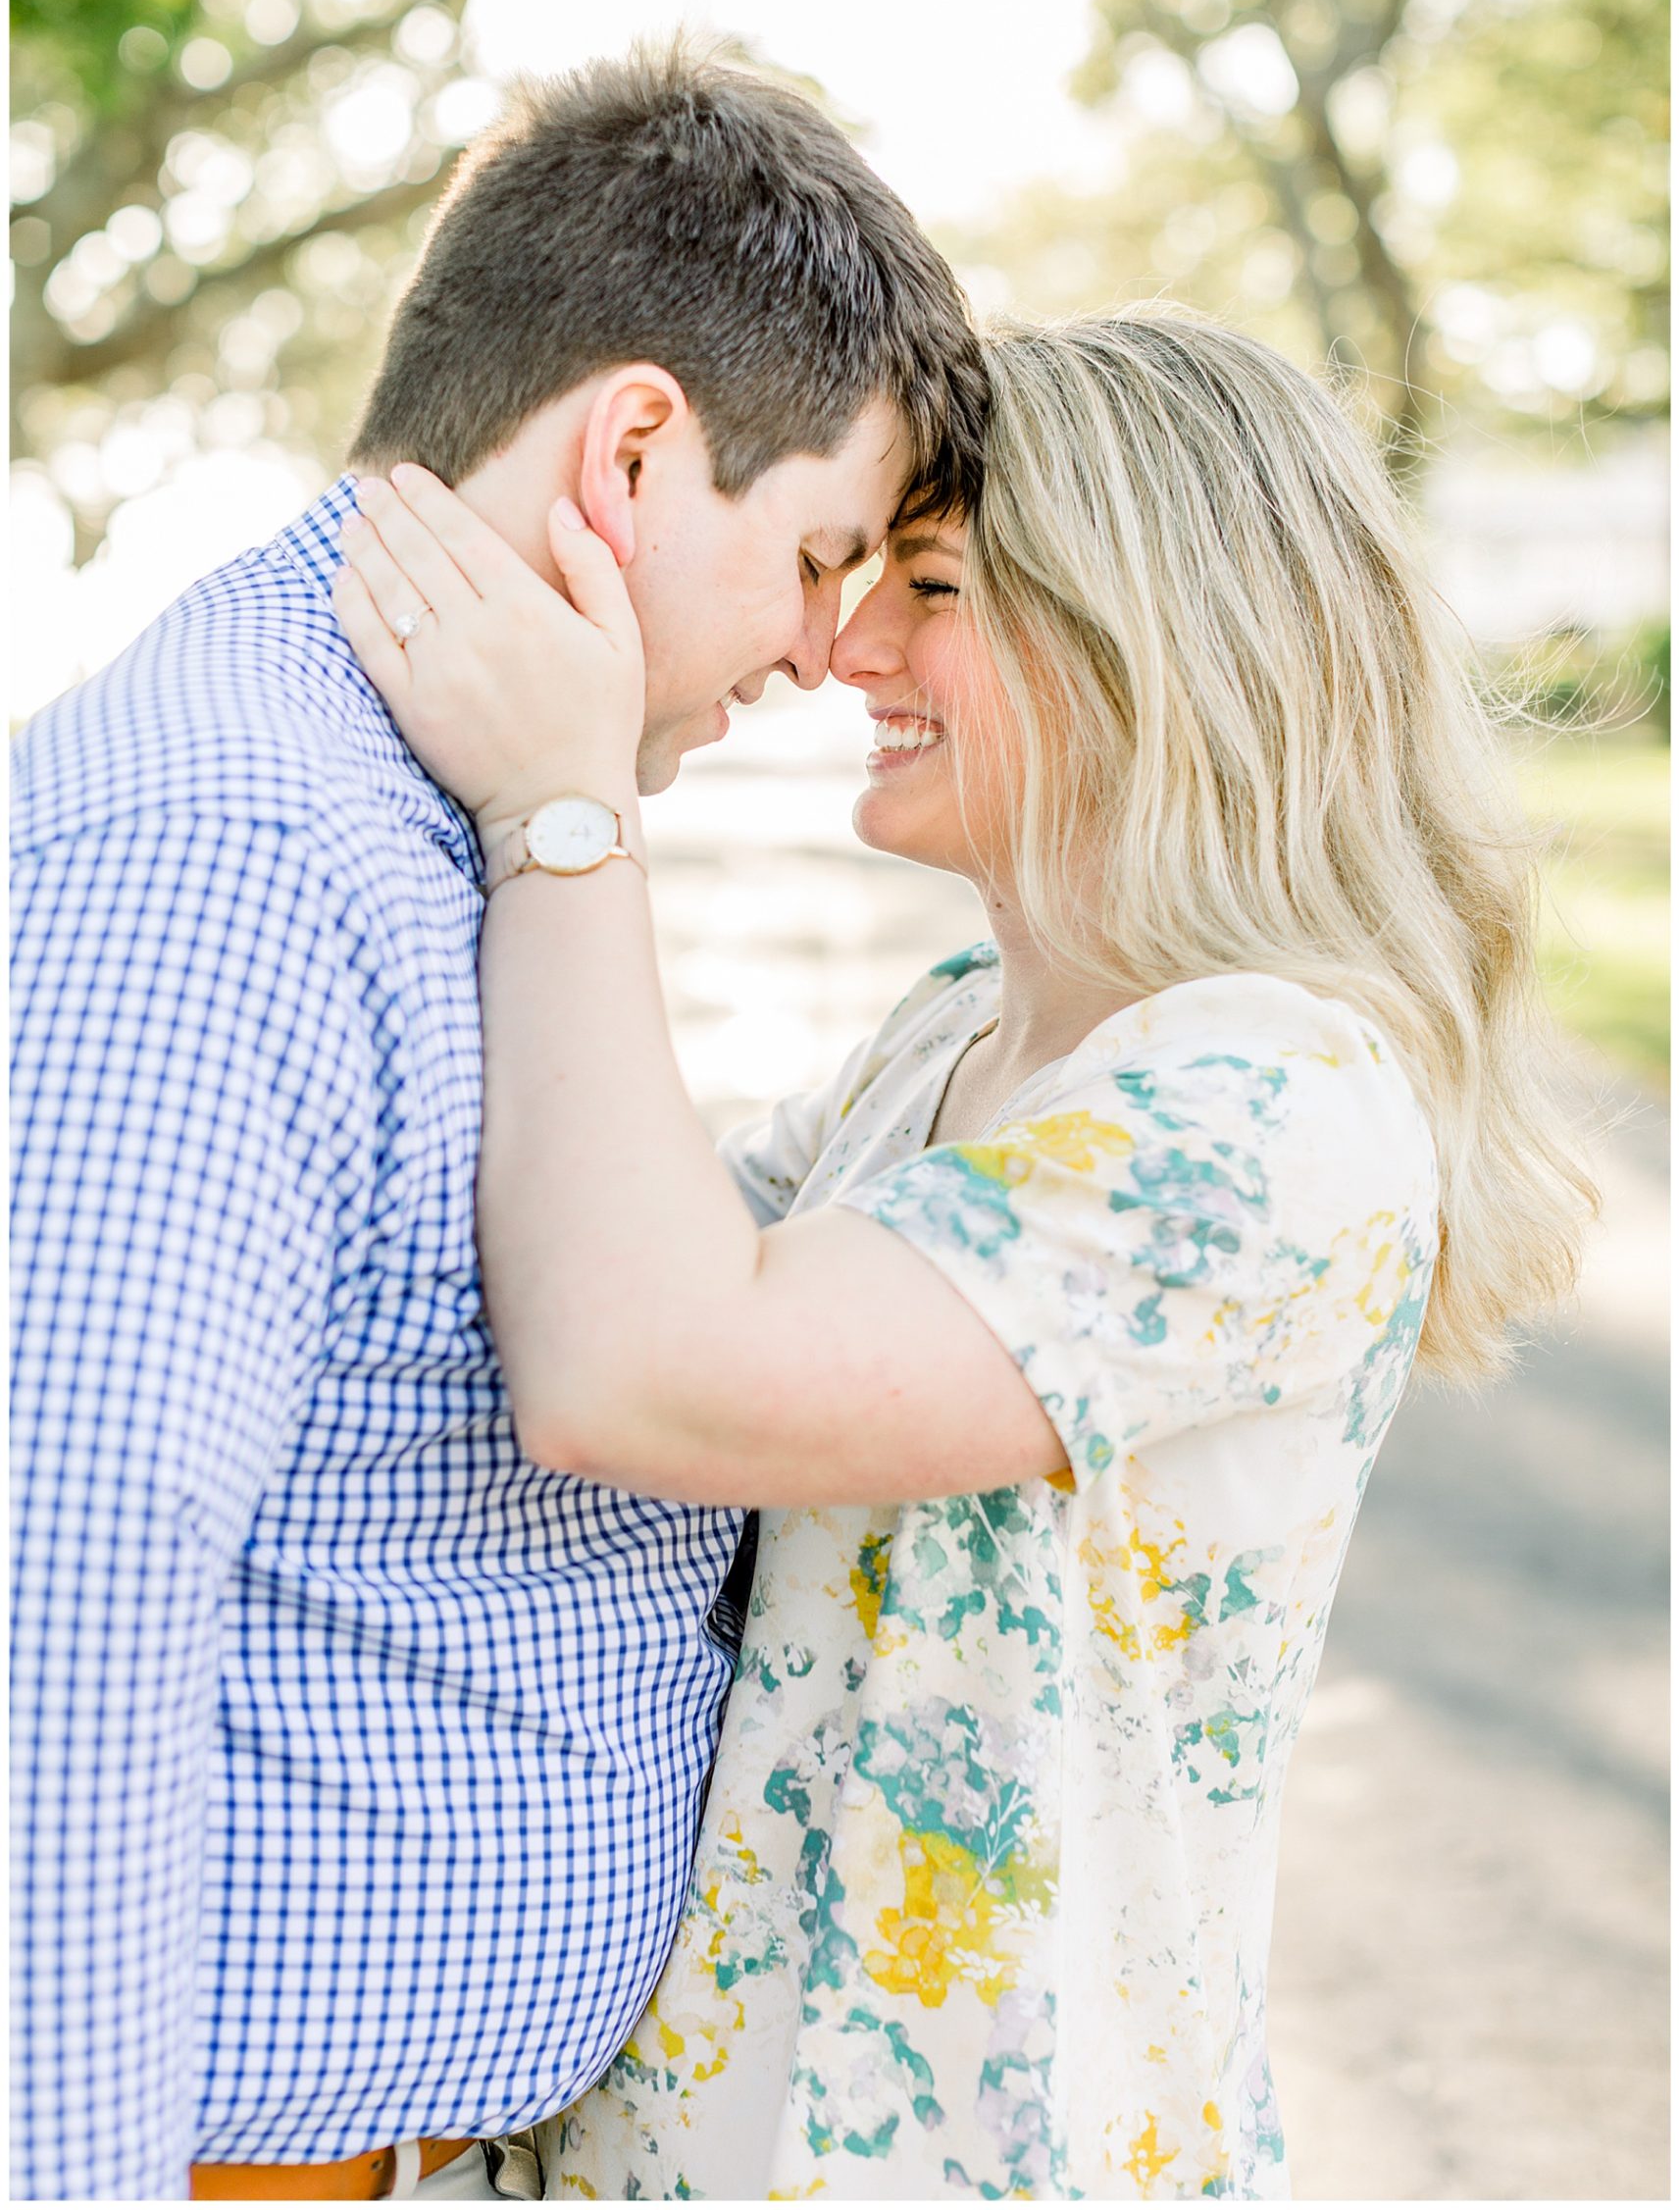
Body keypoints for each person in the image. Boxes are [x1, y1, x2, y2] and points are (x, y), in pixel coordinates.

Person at [331, 306, 1595, 2200]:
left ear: (1151, 646)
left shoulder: (1276, 1115)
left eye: (928, 587)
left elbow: (646, 1371)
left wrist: (564, 814)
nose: (846, 645)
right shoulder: (947, 1031)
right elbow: (577, 1259)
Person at [10, 42, 987, 2202]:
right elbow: (49, 1645)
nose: (830, 650)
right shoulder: (230, 855)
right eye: (818, 547)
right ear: (636, 446)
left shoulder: (417, 813)